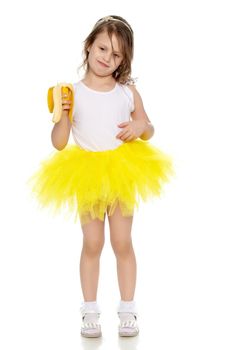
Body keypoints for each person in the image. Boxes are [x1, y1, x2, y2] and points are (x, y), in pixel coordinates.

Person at [27, 15, 174, 338]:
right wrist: (63, 113)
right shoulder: (71, 92)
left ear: (124, 60)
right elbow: (60, 142)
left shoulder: (127, 92)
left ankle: (127, 309)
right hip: (87, 174)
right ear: (89, 46)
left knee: (122, 241)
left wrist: (141, 127)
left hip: (122, 171)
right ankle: (90, 310)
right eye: (103, 47)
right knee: (92, 242)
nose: (107, 56)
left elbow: (148, 128)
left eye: (117, 54)